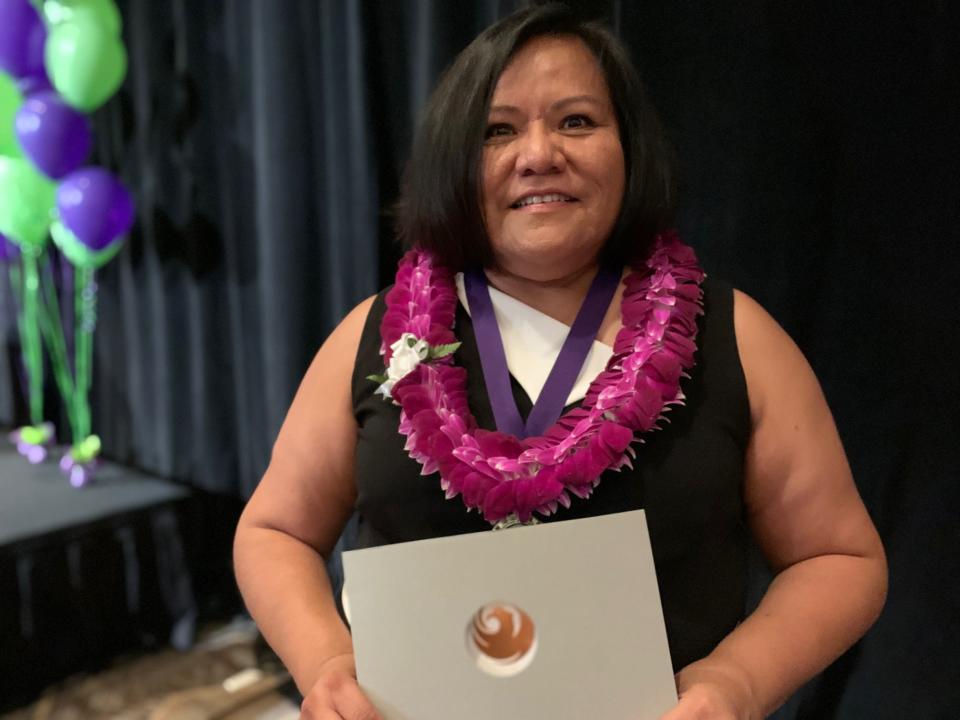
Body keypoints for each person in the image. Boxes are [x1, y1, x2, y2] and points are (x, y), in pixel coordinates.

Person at [233, 5, 887, 719]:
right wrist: (328, 664)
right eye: (498, 130)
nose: (539, 153)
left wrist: (735, 682)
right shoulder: (375, 337)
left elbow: (839, 561)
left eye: (576, 121)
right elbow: (276, 533)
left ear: (630, 148)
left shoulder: (734, 338)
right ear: (457, 160)